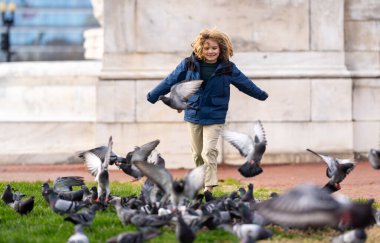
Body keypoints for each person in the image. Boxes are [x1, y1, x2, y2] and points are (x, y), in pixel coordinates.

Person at [147, 28, 268, 193]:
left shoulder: (228, 68)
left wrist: (261, 95)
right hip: (193, 113)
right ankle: (200, 180)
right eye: (207, 48)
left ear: (221, 49)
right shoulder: (187, 64)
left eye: (214, 48)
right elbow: (170, 80)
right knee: (197, 154)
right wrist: (153, 95)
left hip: (215, 115)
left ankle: (208, 189)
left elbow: (244, 84)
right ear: (200, 49)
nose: (211, 51)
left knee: (208, 151)